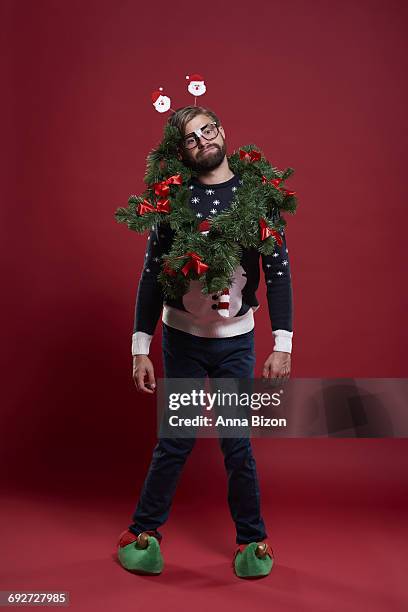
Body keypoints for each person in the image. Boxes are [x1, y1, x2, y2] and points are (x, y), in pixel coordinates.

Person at [117, 106, 293, 578]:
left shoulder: (258, 198)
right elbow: (152, 276)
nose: (202, 142)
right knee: (176, 441)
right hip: (183, 340)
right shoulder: (173, 202)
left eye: (207, 130)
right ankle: (144, 532)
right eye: (190, 139)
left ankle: (252, 540)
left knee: (237, 445)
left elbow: (277, 274)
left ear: (223, 131)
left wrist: (283, 343)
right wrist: (141, 346)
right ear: (182, 151)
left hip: (236, 340)